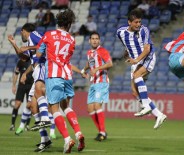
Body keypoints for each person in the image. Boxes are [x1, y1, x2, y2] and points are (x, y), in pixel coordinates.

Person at [36, 9, 85, 153]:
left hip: (54, 74)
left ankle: (67, 139)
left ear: (58, 21)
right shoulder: (71, 39)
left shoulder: (48, 35)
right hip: (67, 75)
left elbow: (39, 54)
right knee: (66, 106)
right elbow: (67, 57)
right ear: (69, 24)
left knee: (54, 108)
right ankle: (78, 133)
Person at [116, 9, 167, 129]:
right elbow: (127, 43)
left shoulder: (144, 30)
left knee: (137, 75)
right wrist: (127, 52)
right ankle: (159, 114)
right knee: (134, 91)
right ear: (129, 22)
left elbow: (147, 49)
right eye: (136, 22)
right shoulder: (120, 32)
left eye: (140, 22)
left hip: (147, 58)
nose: (138, 24)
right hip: (136, 61)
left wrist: (136, 60)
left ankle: (146, 106)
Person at [8, 23, 53, 152]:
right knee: (31, 106)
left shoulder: (33, 35)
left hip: (43, 66)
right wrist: (14, 45)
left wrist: (27, 46)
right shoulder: (29, 41)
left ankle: (45, 119)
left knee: (38, 96)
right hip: (36, 68)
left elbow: (44, 44)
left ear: (23, 31)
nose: (21, 35)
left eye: (21, 33)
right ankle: (45, 140)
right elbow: (23, 57)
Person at [81, 32, 113, 141]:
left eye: (97, 39)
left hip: (102, 82)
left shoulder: (102, 51)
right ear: (89, 41)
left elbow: (110, 64)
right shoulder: (89, 52)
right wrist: (84, 70)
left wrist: (97, 69)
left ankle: (102, 132)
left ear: (99, 41)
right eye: (93, 39)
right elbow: (89, 63)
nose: (95, 40)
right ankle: (101, 131)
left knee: (96, 106)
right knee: (90, 108)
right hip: (93, 83)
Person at [9, 54, 33, 131]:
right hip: (21, 86)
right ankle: (12, 124)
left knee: (29, 105)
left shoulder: (31, 61)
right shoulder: (19, 62)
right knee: (17, 104)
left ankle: (27, 125)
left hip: (30, 86)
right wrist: (13, 85)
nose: (21, 57)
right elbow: (16, 74)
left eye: (23, 55)